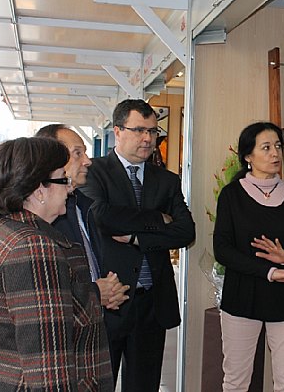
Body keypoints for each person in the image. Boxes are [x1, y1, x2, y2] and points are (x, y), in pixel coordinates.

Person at [0, 137, 113, 390]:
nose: (69, 189)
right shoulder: (33, 248)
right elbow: (47, 368)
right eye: (62, 180)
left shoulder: (6, 229)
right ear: (39, 191)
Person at [81, 99, 195, 391]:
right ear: (118, 131)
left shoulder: (166, 180)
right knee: (99, 384)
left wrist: (137, 237)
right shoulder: (95, 171)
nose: (148, 139)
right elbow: (102, 217)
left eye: (153, 131)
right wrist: (158, 218)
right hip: (111, 299)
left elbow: (185, 232)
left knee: (144, 385)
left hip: (151, 303)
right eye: (139, 130)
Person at [213, 121, 284, 392]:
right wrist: (269, 271)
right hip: (242, 298)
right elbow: (223, 249)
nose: (275, 153)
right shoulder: (231, 195)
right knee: (236, 381)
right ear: (248, 156)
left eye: (278, 146)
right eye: (266, 147)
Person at [35, 124, 130, 311]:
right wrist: (96, 293)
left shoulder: (84, 206)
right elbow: (43, 293)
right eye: (77, 153)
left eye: (85, 152)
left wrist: (108, 292)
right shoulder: (42, 217)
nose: (87, 161)